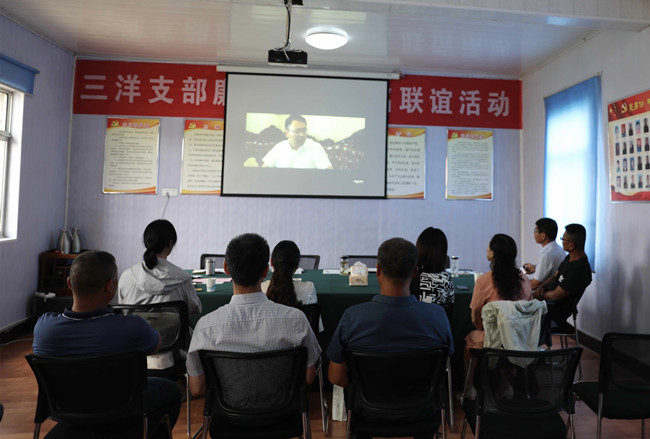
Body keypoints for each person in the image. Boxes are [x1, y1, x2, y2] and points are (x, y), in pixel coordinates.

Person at [32, 251, 181, 437]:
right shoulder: (133, 327)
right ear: (110, 286)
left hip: (65, 408)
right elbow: (156, 345)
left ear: (69, 283)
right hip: (121, 408)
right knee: (171, 391)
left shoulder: (44, 328)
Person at [186, 233, 321, 398]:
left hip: (228, 412)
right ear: (265, 270)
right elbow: (308, 378)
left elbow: (197, 389)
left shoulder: (205, 327)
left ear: (226, 268)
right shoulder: (297, 320)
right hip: (284, 410)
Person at [327, 237, 454, 389]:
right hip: (423, 402)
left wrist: (360, 390)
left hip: (367, 402)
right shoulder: (438, 316)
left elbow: (336, 377)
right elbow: (443, 366)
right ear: (415, 272)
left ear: (378, 270)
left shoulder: (352, 318)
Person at [118, 219, 201, 314]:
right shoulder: (183, 279)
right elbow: (194, 308)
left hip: (134, 324)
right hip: (172, 325)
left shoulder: (127, 276)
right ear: (170, 244)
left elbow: (122, 308)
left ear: (146, 243)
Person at [465, 234, 532, 349]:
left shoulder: (483, 281)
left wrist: (486, 329)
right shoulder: (525, 280)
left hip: (493, 340)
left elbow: (475, 316)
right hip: (520, 338)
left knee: (471, 338)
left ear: (492, 253)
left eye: (489, 246)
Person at [533, 224, 592, 327]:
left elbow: (556, 295)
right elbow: (555, 276)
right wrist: (540, 287)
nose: (561, 241)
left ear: (571, 245)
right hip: (544, 304)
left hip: (553, 312)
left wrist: (539, 296)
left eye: (563, 239)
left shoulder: (579, 269)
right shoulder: (569, 257)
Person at [261, 240, 323, 332]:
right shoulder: (308, 289)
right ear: (297, 265)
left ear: (271, 263)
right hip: (301, 340)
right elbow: (316, 327)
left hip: (268, 340)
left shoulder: (262, 289)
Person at [409, 227, 454, 316]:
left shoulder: (410, 275)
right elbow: (450, 308)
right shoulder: (445, 278)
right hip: (438, 324)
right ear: (443, 252)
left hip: (411, 323)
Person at [261, 114, 333, 169]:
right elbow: (264, 170)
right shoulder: (279, 147)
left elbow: (329, 172)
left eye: (304, 131)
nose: (302, 134)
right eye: (297, 131)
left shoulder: (315, 147)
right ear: (287, 133)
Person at [523, 218, 567, 290]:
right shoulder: (560, 249)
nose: (534, 234)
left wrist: (517, 283)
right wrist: (535, 268)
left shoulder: (547, 255)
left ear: (543, 236)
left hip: (547, 293)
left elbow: (534, 285)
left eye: (535, 231)